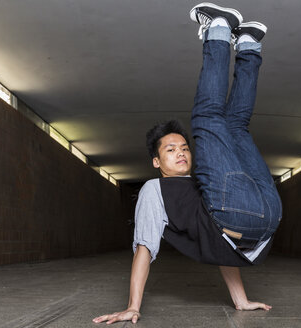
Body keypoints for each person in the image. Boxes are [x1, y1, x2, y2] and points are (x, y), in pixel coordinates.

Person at [93, 3, 282, 324]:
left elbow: (222, 244)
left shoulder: (210, 190)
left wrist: (241, 300)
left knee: (235, 126)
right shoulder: (155, 190)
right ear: (156, 161)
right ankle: (220, 28)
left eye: (183, 148)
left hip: (263, 218)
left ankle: (250, 43)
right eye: (170, 149)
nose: (180, 152)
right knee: (207, 115)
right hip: (256, 223)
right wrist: (133, 305)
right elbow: (144, 248)